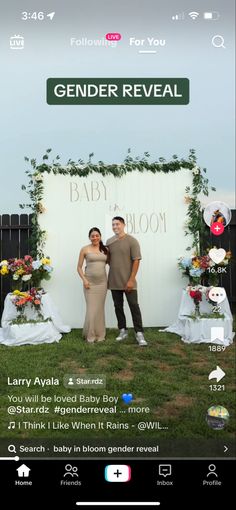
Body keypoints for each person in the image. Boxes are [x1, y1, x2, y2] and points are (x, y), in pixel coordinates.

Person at [106, 216, 147, 346]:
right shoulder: (109, 242)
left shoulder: (132, 241)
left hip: (129, 281)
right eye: (113, 225)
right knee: (118, 307)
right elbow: (107, 260)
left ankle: (139, 333)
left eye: (117, 224)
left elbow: (136, 260)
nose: (115, 227)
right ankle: (122, 330)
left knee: (134, 306)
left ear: (123, 225)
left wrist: (131, 280)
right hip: (114, 280)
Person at [77, 228, 108, 343]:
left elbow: (112, 264)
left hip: (102, 283)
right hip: (89, 284)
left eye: (97, 235)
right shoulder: (85, 249)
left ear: (100, 236)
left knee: (99, 309)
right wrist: (84, 280)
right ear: (89, 237)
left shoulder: (105, 250)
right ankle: (90, 335)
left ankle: (100, 335)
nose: (95, 238)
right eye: (92, 236)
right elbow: (79, 267)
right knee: (91, 310)